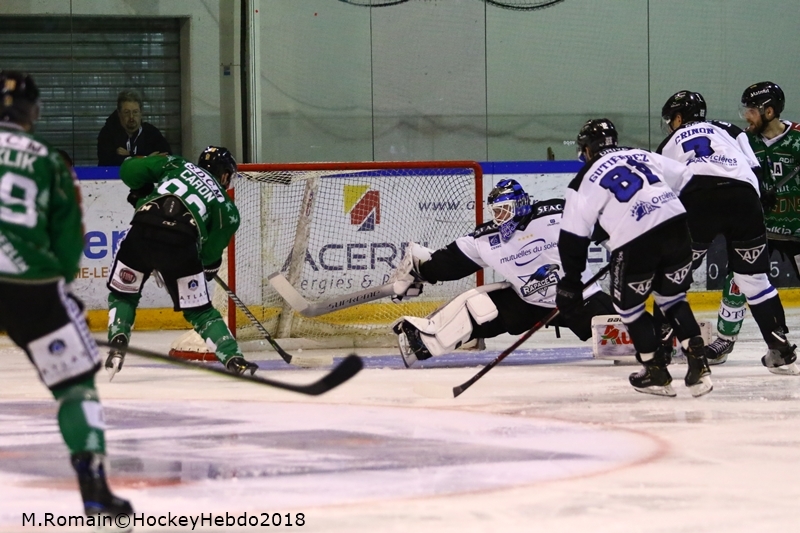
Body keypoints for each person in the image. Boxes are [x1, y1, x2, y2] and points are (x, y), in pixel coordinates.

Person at [0, 71, 132, 519]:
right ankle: (93, 485)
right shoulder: (48, 159)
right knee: (75, 387)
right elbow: (70, 240)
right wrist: (60, 290)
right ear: (33, 112)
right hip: (31, 287)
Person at [557, 118, 712, 398]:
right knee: (672, 297)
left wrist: (571, 281)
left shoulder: (582, 180)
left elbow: (572, 238)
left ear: (587, 149)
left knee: (628, 306)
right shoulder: (640, 154)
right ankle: (698, 363)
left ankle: (655, 370)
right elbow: (687, 178)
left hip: (635, 240)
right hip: (676, 227)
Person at [391, 179, 615, 368]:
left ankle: (637, 343)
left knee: (621, 325)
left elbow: (605, 226)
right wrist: (422, 272)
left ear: (520, 204)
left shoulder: (558, 214)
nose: (500, 217)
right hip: (528, 302)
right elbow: (452, 261)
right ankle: (421, 341)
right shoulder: (487, 238)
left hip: (579, 297)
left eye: (504, 209)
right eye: (496, 211)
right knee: (478, 305)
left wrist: (625, 250)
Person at [656, 90, 798, 375]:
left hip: (699, 200)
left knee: (673, 276)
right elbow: (755, 169)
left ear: (679, 118)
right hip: (743, 198)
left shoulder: (669, 142)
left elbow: (663, 191)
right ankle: (779, 347)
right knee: (754, 280)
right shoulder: (730, 129)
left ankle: (659, 352)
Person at [104, 148, 257, 378]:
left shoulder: (177, 164)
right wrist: (207, 267)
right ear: (225, 175)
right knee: (201, 312)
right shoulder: (227, 208)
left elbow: (128, 170)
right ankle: (234, 360)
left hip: (141, 232)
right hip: (181, 245)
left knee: (123, 294)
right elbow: (210, 254)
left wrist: (142, 190)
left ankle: (118, 342)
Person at [706, 82, 800, 362]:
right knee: (737, 281)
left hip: (797, 229)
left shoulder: (797, 139)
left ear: (769, 111)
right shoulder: (743, 141)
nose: (746, 116)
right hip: (759, 229)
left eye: (752, 111)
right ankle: (725, 340)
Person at [97, 89, 171, 166]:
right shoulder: (107, 134)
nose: (131, 117)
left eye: (135, 112)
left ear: (141, 113)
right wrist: (147, 159)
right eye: (126, 112)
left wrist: (130, 156)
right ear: (119, 114)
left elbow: (166, 156)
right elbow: (106, 162)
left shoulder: (151, 132)